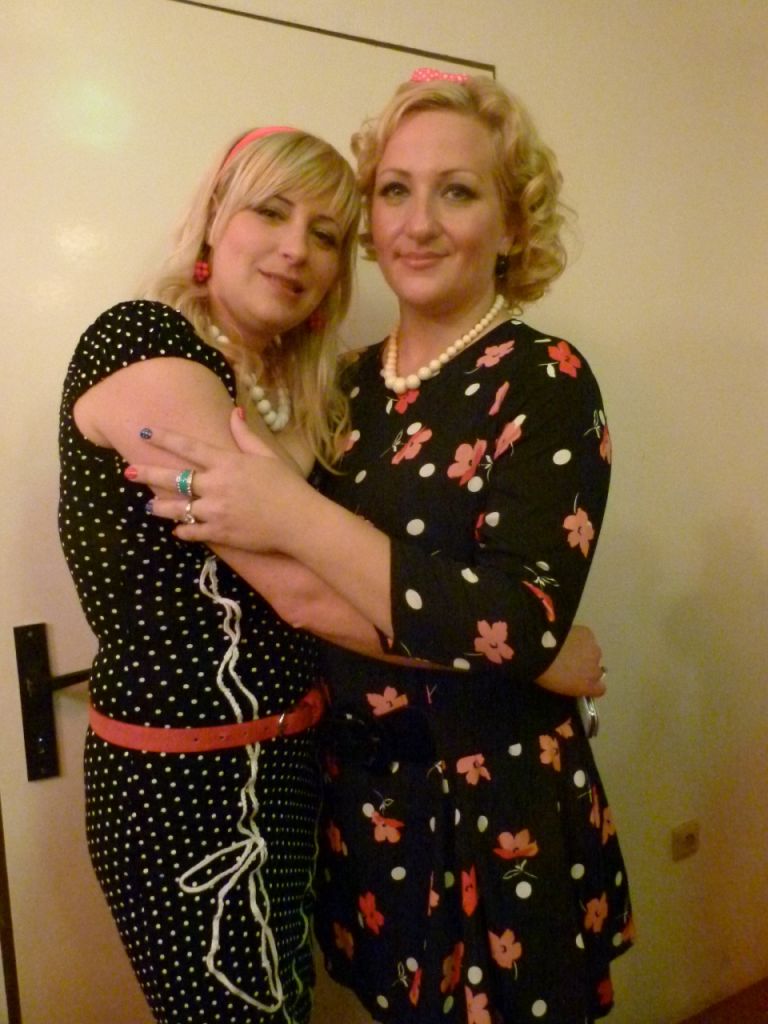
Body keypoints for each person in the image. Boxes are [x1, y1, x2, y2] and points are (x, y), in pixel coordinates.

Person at [126, 70, 634, 1023]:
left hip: (496, 810)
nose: (419, 223)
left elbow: (512, 620)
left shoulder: (545, 377)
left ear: (512, 224)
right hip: (362, 806)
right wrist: (546, 654)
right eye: (396, 190)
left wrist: (290, 511)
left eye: (458, 191)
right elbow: (305, 594)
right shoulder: (341, 388)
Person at [58, 125, 361, 1024]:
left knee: (288, 1003)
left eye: (326, 233)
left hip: (288, 762)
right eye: (271, 211)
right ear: (214, 223)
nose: (296, 248)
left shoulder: (299, 390)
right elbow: (300, 589)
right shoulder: (144, 343)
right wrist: (525, 652)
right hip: (180, 790)